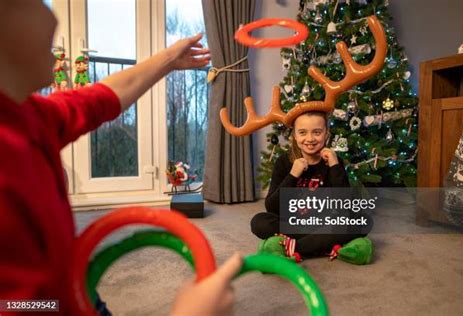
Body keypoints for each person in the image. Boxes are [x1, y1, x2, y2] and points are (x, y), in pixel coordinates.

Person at [0, 1, 240, 315]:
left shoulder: (26, 115)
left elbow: (102, 97)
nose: (52, 17)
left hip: (68, 290)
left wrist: (169, 59)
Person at [251, 111, 372, 258]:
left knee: (364, 221)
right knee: (259, 222)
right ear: (294, 135)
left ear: (326, 134)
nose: (310, 139)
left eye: (317, 132)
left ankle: (297, 247)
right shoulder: (284, 162)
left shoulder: (334, 161)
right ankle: (323, 244)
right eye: (302, 132)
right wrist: (293, 175)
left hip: (325, 223)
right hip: (294, 224)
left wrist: (334, 166)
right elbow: (272, 207)